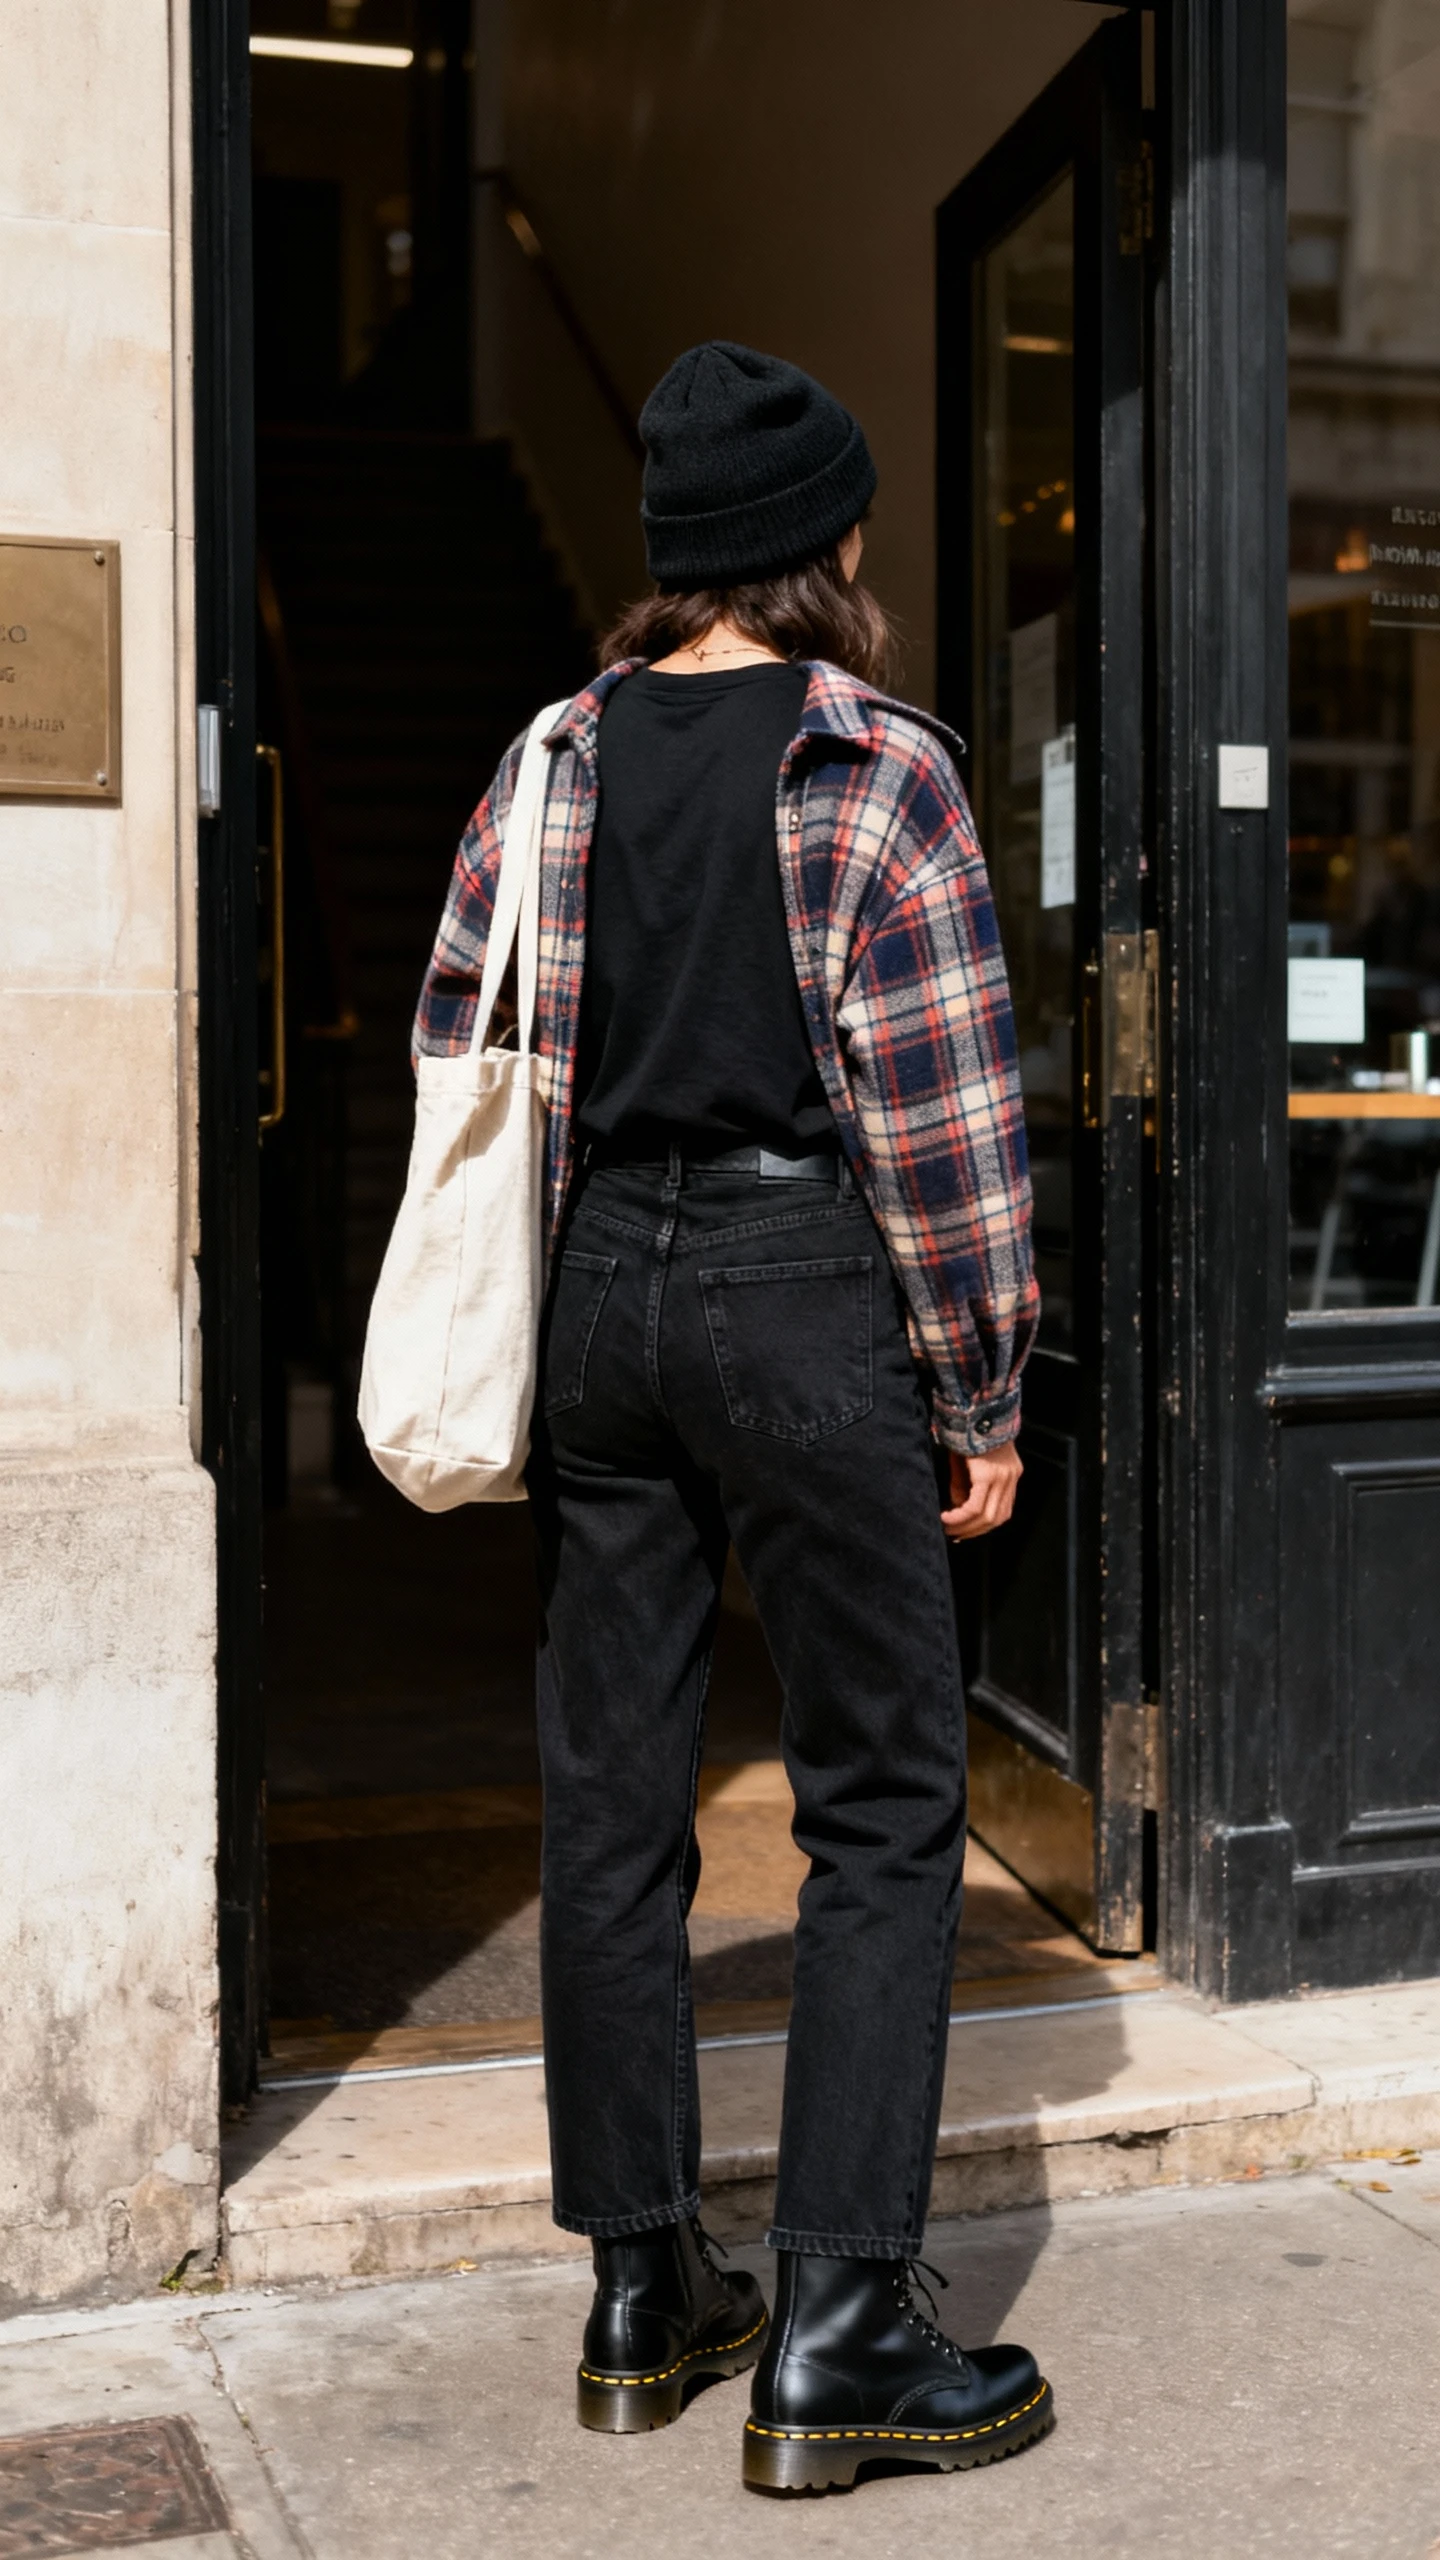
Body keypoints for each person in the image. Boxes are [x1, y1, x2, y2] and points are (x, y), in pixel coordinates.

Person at [414, 341, 1049, 2495]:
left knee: (615, 1797)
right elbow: (947, 1122)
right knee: (880, 1790)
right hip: (804, 1288)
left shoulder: (551, 758)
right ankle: (846, 2326)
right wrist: (981, 1381)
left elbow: (455, 1029)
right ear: (834, 549)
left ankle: (641, 2288)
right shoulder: (882, 766)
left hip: (601, 1292)